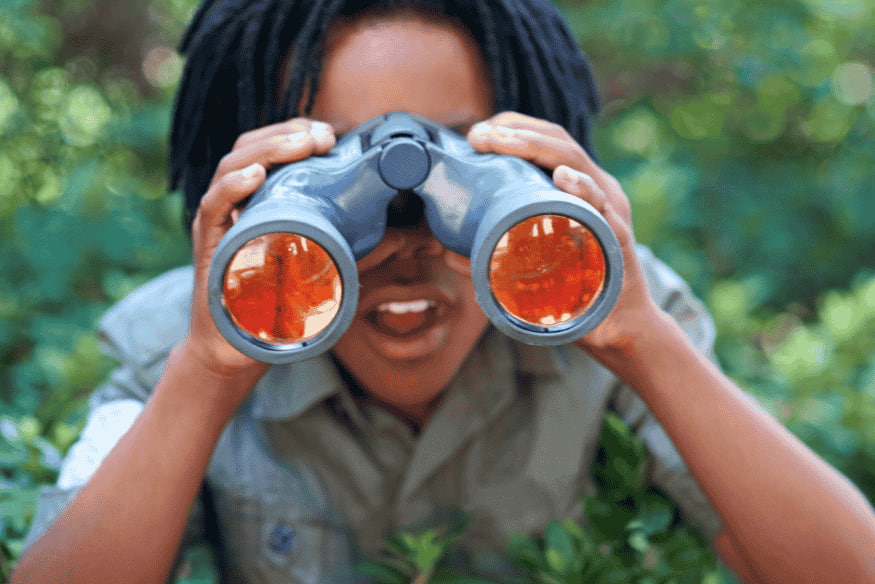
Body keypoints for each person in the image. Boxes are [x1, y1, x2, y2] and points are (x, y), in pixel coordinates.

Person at [11, 1, 875, 583]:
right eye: (331, 172)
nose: (405, 231)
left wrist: (639, 342)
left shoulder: (607, 312)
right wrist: (205, 371)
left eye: (465, 164)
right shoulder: (185, 338)